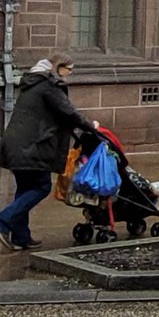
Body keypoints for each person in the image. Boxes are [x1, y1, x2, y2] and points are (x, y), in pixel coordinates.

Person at [0, 56, 97, 251]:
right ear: (59, 68)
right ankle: (3, 220)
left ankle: (21, 237)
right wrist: (91, 126)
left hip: (16, 145)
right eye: (69, 69)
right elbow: (69, 112)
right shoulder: (49, 85)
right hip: (32, 147)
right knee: (41, 186)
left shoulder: (32, 83)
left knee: (25, 188)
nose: (70, 74)